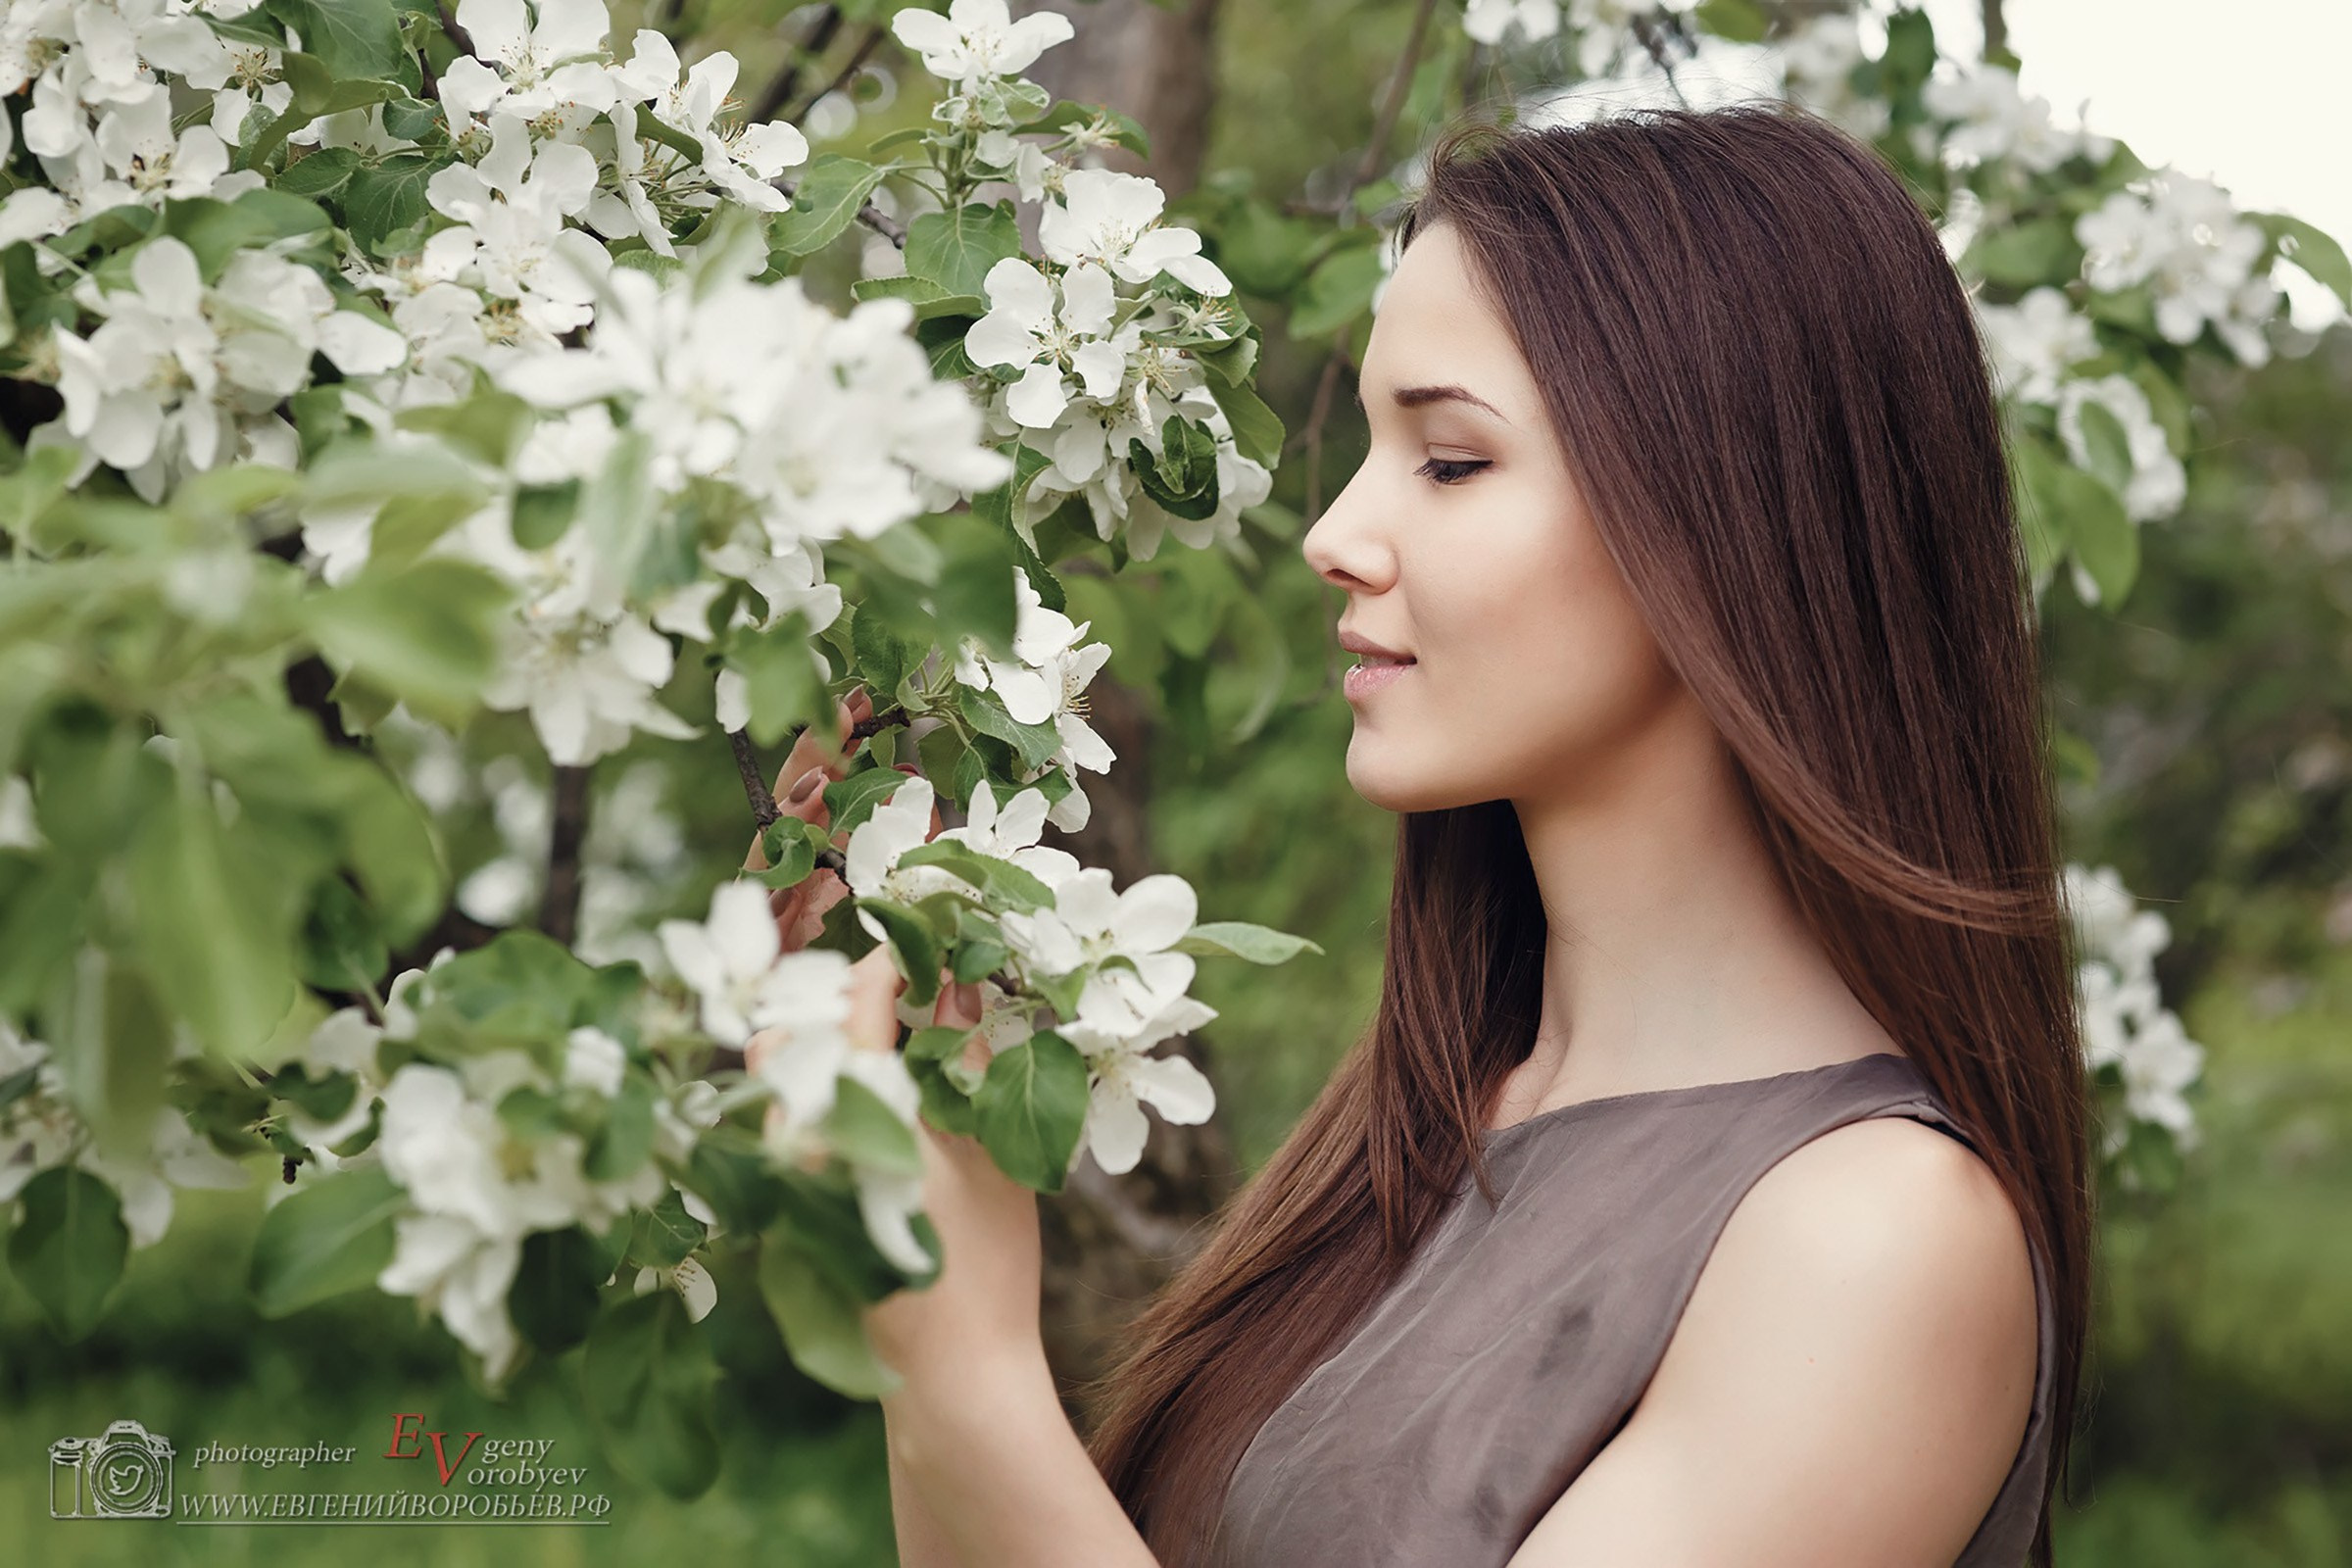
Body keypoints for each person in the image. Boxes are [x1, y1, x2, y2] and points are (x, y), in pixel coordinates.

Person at [756, 102, 2091, 1568]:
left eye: (1449, 461)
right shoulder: (1421, 1128)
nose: (1333, 529)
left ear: (1728, 515)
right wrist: (905, 1275)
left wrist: (973, 1373)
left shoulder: (1878, 1245)